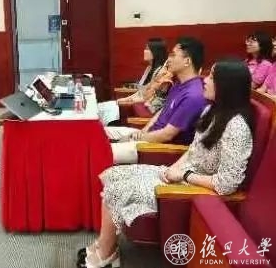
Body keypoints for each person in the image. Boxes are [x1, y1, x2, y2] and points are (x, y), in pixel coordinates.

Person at [77, 59, 254, 268]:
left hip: (197, 188)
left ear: (227, 85)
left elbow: (227, 184)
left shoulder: (237, 127)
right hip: (182, 175)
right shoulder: (211, 112)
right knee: (113, 175)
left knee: (116, 189)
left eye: (212, 77)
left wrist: (184, 175)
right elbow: (193, 150)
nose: (205, 80)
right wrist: (174, 168)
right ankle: (105, 245)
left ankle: (106, 254)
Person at [105, 37, 208, 164]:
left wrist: (140, 138)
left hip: (157, 147)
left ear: (187, 61)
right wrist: (143, 131)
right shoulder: (178, 84)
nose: (168, 59)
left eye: (173, 55)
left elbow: (167, 135)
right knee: (103, 132)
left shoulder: (193, 95)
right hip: (149, 135)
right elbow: (161, 111)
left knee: (100, 152)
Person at [98, 39, 169, 125]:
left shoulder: (160, 72)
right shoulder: (149, 68)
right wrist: (126, 99)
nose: (144, 51)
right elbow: (140, 91)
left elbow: (148, 96)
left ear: (156, 52)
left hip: (146, 104)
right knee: (101, 107)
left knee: (108, 108)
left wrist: (129, 100)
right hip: (138, 100)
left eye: (147, 49)